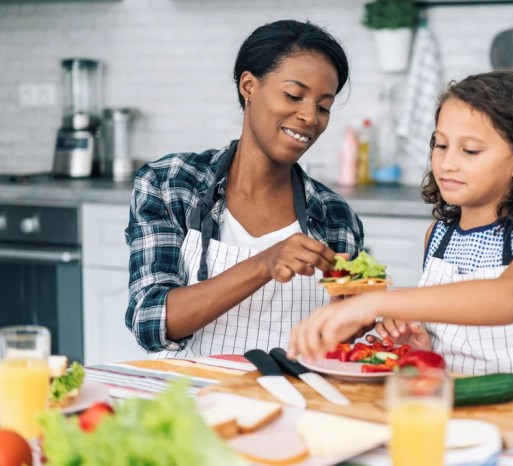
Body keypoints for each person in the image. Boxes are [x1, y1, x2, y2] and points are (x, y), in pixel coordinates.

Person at [288, 69, 513, 442]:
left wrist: (373, 302)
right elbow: (457, 335)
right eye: (440, 145)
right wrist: (425, 343)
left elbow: (510, 298)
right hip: (453, 415)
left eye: (470, 150)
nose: (447, 163)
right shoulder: (438, 235)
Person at [124, 20, 363, 358]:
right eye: (294, 95)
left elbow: (337, 347)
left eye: (323, 106)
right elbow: (150, 321)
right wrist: (265, 263)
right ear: (249, 86)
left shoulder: (336, 216)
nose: (310, 117)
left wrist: (357, 318)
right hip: (193, 402)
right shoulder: (170, 183)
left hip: (295, 403)